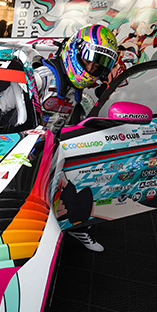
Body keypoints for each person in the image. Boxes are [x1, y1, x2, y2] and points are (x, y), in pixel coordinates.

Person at [37, 24, 120, 252]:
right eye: (87, 60)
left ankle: (75, 225)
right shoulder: (41, 77)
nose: (91, 68)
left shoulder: (79, 91)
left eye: (97, 65)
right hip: (26, 149)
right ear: (74, 50)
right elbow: (1, 108)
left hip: (53, 149)